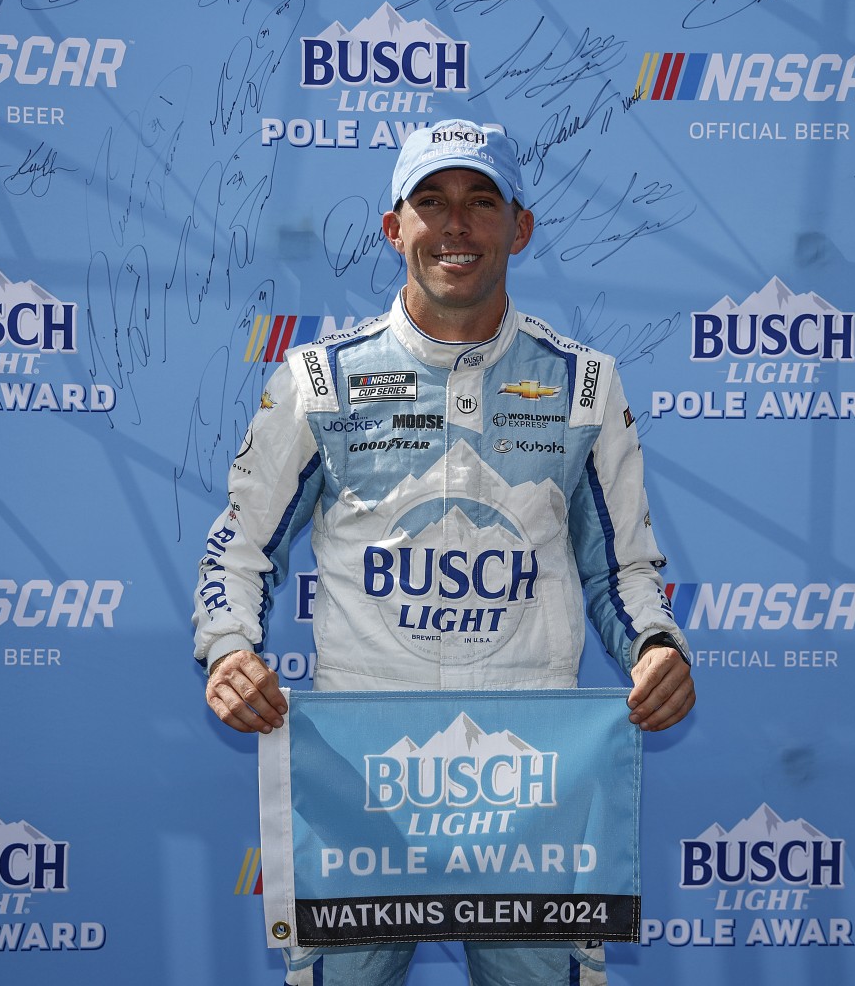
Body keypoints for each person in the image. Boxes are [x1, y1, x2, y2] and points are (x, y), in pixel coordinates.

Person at [193, 119, 695, 986]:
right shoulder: (319, 380)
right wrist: (231, 649)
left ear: (520, 227)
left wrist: (657, 647)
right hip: (363, 776)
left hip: (529, 778)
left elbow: (619, 572)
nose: (455, 226)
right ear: (394, 228)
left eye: (480, 202)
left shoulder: (583, 384)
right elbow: (238, 554)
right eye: (430, 202)